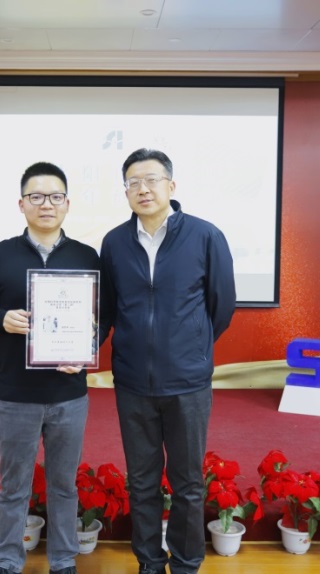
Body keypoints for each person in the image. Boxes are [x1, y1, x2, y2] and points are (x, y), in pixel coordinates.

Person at [99, 148, 235, 574]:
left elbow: (221, 306)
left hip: (187, 383)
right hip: (132, 383)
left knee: (188, 482)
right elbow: (108, 307)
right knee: (141, 481)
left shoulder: (206, 236)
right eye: (133, 182)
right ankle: (149, 562)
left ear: (171, 185)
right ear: (126, 191)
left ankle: (187, 563)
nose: (143, 189)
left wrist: (190, 348)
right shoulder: (114, 242)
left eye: (152, 180)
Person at [0, 162, 99, 574]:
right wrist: (1, 318)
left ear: (67, 203)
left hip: (69, 395)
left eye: (55, 196)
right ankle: (8, 562)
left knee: (64, 485)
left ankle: (63, 561)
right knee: (13, 486)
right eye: (36, 197)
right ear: (21, 204)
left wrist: (89, 349)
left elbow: (104, 316)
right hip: (16, 394)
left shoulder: (86, 256)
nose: (46, 204)